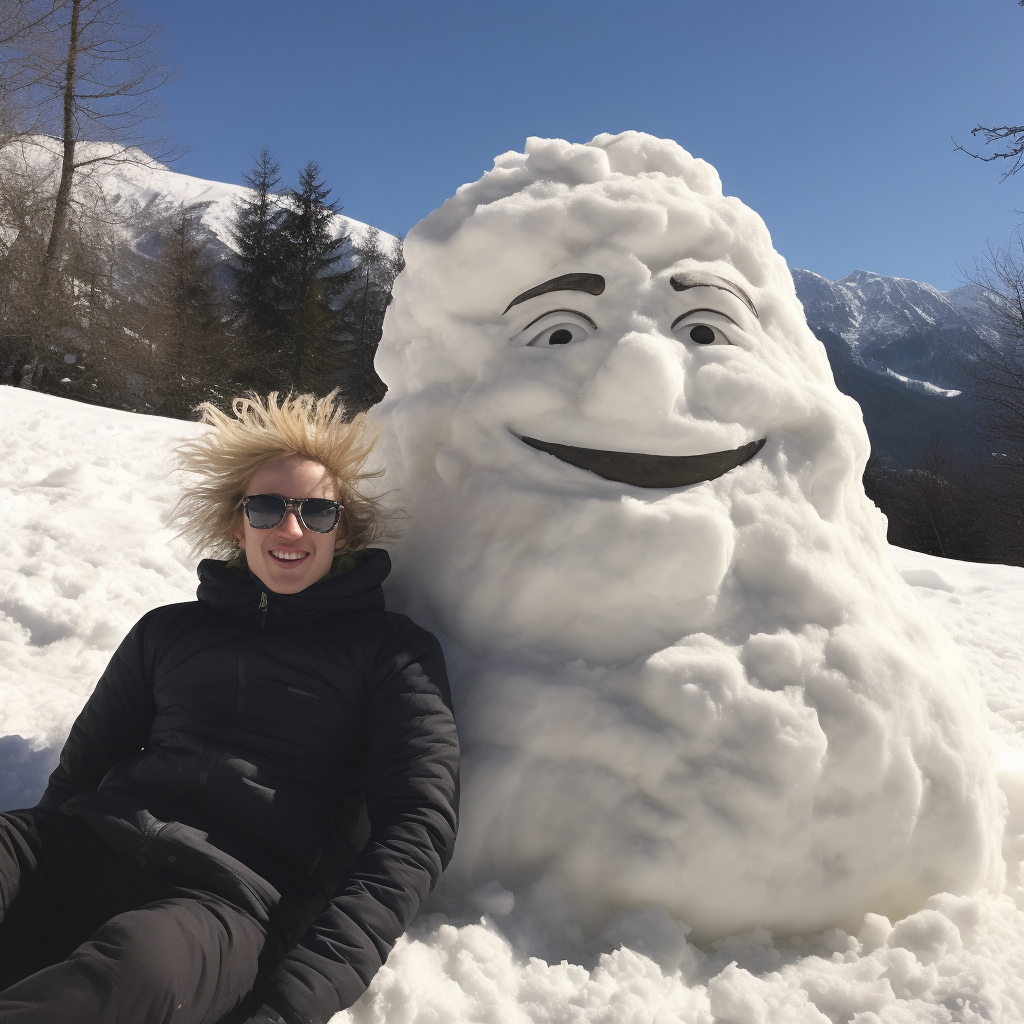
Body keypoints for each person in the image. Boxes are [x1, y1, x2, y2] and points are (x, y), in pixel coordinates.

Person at [0, 391, 460, 1024]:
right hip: (82, 844)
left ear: (344, 529)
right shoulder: (167, 632)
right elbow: (85, 765)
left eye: (317, 512)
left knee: (134, 973)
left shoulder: (391, 654)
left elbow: (415, 829)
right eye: (267, 507)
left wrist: (295, 999)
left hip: (231, 897)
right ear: (236, 524)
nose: (291, 529)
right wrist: (31, 900)